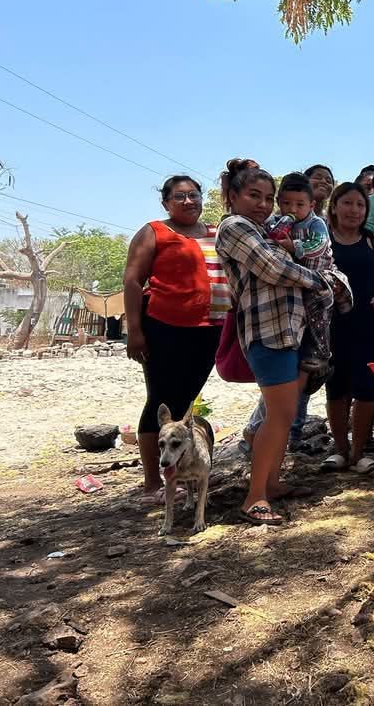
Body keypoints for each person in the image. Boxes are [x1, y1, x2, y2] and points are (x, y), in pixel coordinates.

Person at [216, 167, 329, 526]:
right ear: (233, 197)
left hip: (288, 330)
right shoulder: (234, 227)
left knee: (282, 413)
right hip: (267, 332)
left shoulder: (269, 229)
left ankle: (272, 482)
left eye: (268, 198)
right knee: (279, 415)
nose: (262, 204)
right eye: (254, 196)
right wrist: (322, 282)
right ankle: (255, 497)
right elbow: (274, 267)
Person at [123, 176, 229, 505]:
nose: (188, 201)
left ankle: (178, 475)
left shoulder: (216, 232)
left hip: (210, 329)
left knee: (184, 404)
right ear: (166, 202)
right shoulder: (154, 231)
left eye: (194, 195)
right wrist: (135, 331)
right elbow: (132, 280)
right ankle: (152, 484)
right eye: (179, 196)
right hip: (164, 328)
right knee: (160, 401)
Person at [243, 172, 352, 450]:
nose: (293, 210)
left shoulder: (316, 225)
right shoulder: (272, 224)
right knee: (284, 379)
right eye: (287, 204)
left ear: (311, 205)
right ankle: (264, 431)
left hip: (316, 286)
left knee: (312, 345)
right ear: (279, 203)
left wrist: (295, 246)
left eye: (300, 205)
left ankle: (316, 355)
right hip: (290, 298)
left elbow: (320, 248)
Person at [322, 182, 374, 473]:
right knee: (336, 385)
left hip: (369, 323)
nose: (354, 210)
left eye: (360, 205)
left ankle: (359, 453)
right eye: (347, 203)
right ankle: (340, 451)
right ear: (334, 206)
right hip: (331, 325)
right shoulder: (324, 242)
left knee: (367, 387)